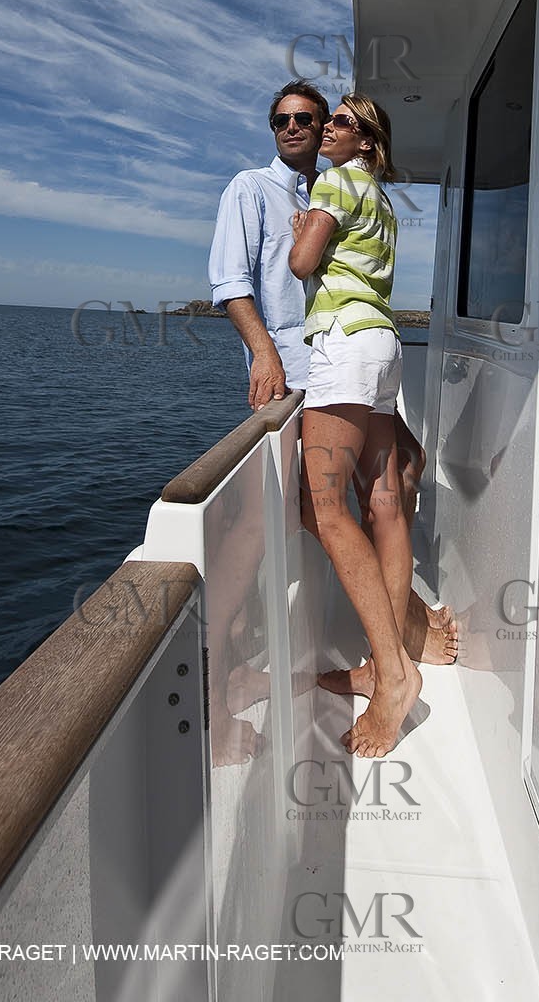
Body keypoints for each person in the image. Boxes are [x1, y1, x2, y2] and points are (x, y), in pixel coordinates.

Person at [208, 81, 457, 668]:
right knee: (289, 509)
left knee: (401, 469)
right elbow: (230, 284)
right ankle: (223, 659)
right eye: (280, 120)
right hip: (295, 373)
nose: (293, 128)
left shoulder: (334, 185)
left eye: (307, 119)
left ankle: (393, 637)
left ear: (326, 129)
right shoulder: (252, 187)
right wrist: (264, 354)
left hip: (340, 359)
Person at [290, 96, 425, 758]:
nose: (321, 130)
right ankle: (382, 660)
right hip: (384, 345)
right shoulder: (382, 201)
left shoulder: (337, 180)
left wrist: (302, 229)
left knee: (322, 504)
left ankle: (395, 677)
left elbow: (302, 265)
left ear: (366, 142)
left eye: (338, 123)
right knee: (383, 502)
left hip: (344, 344)